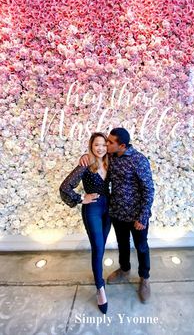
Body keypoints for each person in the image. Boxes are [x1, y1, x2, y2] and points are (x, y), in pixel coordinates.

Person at [79, 127, 155, 303]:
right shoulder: (111, 158)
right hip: (117, 212)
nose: (106, 144)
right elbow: (95, 157)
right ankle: (125, 269)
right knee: (122, 244)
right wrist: (85, 156)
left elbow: (149, 190)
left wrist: (143, 217)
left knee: (141, 246)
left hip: (136, 215)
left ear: (121, 145)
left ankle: (145, 278)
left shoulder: (139, 160)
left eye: (110, 142)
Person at [59, 132, 111, 314]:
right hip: (93, 210)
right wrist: (81, 198)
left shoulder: (110, 161)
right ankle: (100, 288)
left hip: (109, 210)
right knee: (97, 248)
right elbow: (65, 187)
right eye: (97, 145)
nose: (101, 148)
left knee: (101, 247)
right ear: (91, 145)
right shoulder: (86, 163)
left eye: (104, 145)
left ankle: (99, 277)